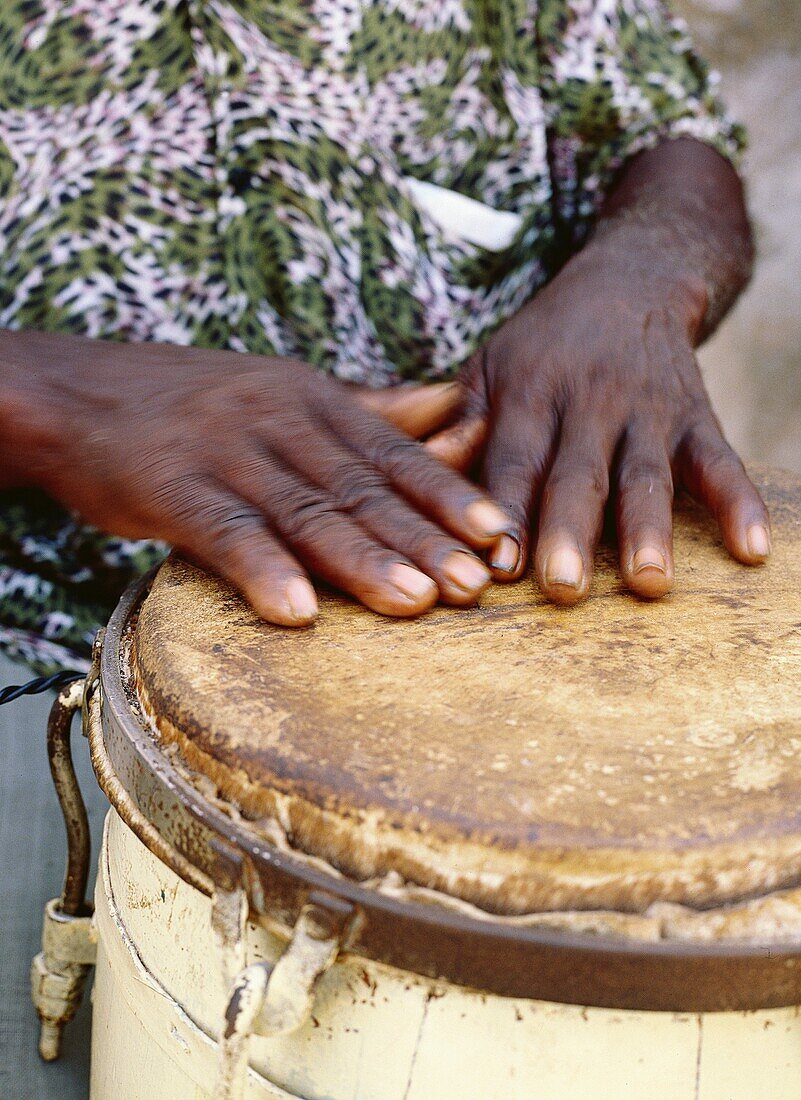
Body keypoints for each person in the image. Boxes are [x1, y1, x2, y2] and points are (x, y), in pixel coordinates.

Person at [0, 0, 771, 676]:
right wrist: (51, 401)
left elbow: (671, 138)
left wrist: (642, 272)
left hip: (488, 590)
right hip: (43, 632)